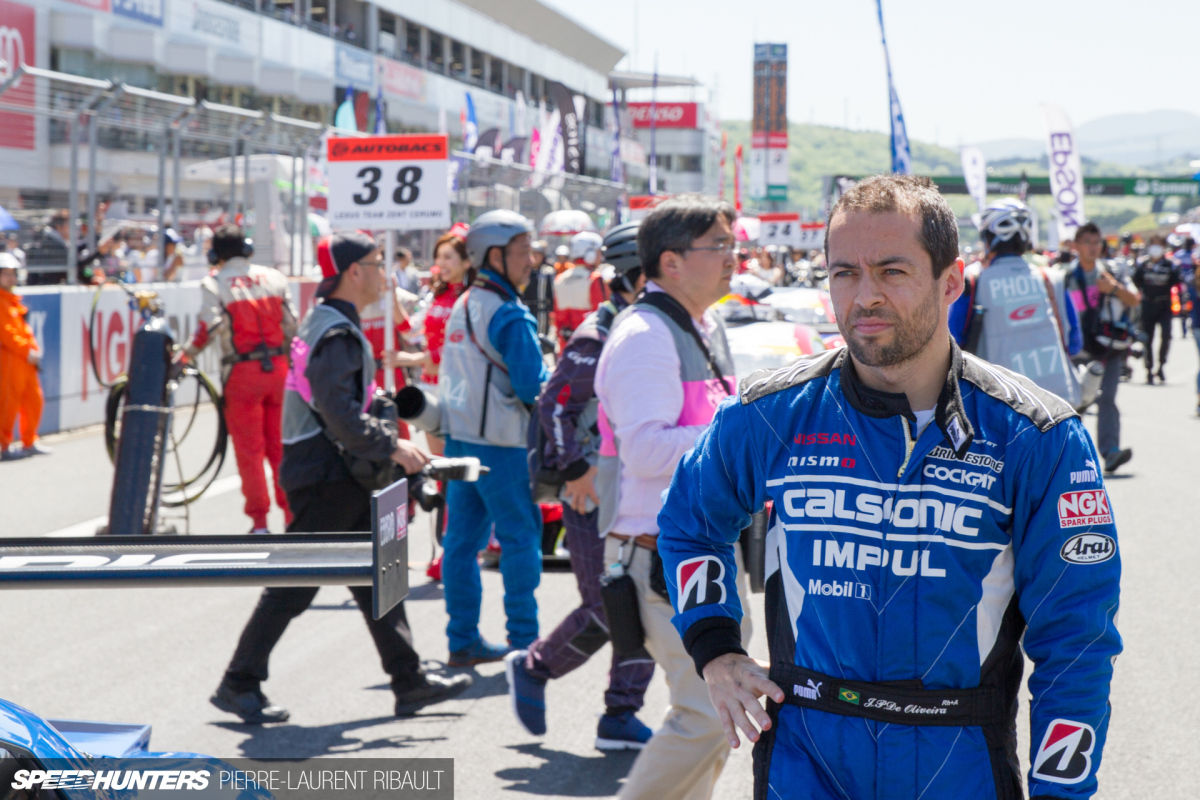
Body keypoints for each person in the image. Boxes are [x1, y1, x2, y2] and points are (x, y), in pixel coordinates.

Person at [657, 174, 1122, 800]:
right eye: (844, 272)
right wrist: (714, 647)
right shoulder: (773, 412)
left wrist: (1060, 793)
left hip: (958, 766)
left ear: (951, 281)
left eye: (892, 271)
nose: (864, 295)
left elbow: (1077, 643)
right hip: (805, 761)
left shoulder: (1037, 437)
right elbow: (689, 522)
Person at [211, 231, 472, 724]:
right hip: (326, 475)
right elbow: (340, 413)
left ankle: (408, 680)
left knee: (383, 575)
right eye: (377, 264)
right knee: (296, 584)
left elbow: (348, 407)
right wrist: (393, 444)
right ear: (354, 272)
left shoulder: (326, 322)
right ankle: (239, 681)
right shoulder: (334, 331)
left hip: (335, 473)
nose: (385, 274)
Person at [593, 195, 751, 800]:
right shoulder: (644, 335)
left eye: (732, 245)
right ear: (671, 261)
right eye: (719, 246)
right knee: (711, 715)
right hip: (658, 556)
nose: (733, 258)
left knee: (715, 718)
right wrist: (741, 432)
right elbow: (648, 453)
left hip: (702, 551)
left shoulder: (700, 325)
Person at [505, 222, 656, 750]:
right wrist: (576, 471)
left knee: (642, 603)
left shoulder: (653, 326)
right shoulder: (600, 333)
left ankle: (620, 713)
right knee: (605, 605)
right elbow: (554, 405)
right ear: (636, 276)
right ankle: (535, 666)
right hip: (592, 492)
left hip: (637, 489)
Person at [438, 210, 547, 666]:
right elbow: (532, 387)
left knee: (460, 545)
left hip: (458, 441)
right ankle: (524, 643)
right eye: (523, 252)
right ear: (495, 256)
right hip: (503, 447)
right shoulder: (510, 314)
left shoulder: (462, 303)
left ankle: (462, 639)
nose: (531, 261)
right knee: (521, 540)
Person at [178, 225, 297, 533]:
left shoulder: (214, 283)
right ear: (246, 248)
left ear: (215, 254)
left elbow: (208, 328)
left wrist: (184, 356)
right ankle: (292, 516)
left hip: (242, 374)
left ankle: (259, 523)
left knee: (250, 451)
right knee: (281, 448)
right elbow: (293, 326)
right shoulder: (274, 277)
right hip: (280, 370)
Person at [949, 198, 1084, 405]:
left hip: (1000, 408)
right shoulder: (1052, 279)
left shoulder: (972, 281)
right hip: (1059, 403)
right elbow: (1074, 343)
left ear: (987, 237)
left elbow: (951, 343)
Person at [1066, 221, 1140, 473]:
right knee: (1076, 403)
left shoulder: (1112, 272)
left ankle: (1110, 452)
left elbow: (1134, 299)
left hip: (1108, 348)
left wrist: (1114, 288)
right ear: (1076, 246)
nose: (1093, 247)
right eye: (1087, 242)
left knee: (1107, 399)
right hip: (1076, 350)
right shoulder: (1064, 276)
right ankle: (1073, 458)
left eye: (1097, 242)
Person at [0, 252, 48, 461]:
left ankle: (29, 440)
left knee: (34, 400)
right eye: (6, 274)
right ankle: (3, 445)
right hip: (10, 360)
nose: (11, 278)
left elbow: (24, 330)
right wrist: (27, 351)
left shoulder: (12, 301)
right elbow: (7, 334)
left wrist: (33, 349)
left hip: (25, 361)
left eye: (13, 274)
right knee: (8, 403)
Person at [1132, 234, 1182, 384]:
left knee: (1166, 335)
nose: (1156, 248)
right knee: (1147, 338)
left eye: (1159, 245)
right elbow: (1135, 282)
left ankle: (1161, 366)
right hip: (1147, 305)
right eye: (1153, 244)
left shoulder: (1171, 265)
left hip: (1164, 305)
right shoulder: (1142, 265)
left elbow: (1177, 283)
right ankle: (1149, 368)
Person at [552, 231, 605, 345]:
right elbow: (602, 315)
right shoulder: (594, 278)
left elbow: (557, 317)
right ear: (590, 254)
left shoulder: (559, 279)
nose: (600, 257)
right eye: (598, 253)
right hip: (590, 343)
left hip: (566, 345)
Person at [521, 239, 556, 338]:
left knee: (541, 338)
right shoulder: (524, 272)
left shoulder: (547, 272)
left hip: (542, 311)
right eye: (532, 254)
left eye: (538, 254)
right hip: (526, 309)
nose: (535, 257)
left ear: (542, 256)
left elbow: (553, 294)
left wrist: (552, 312)